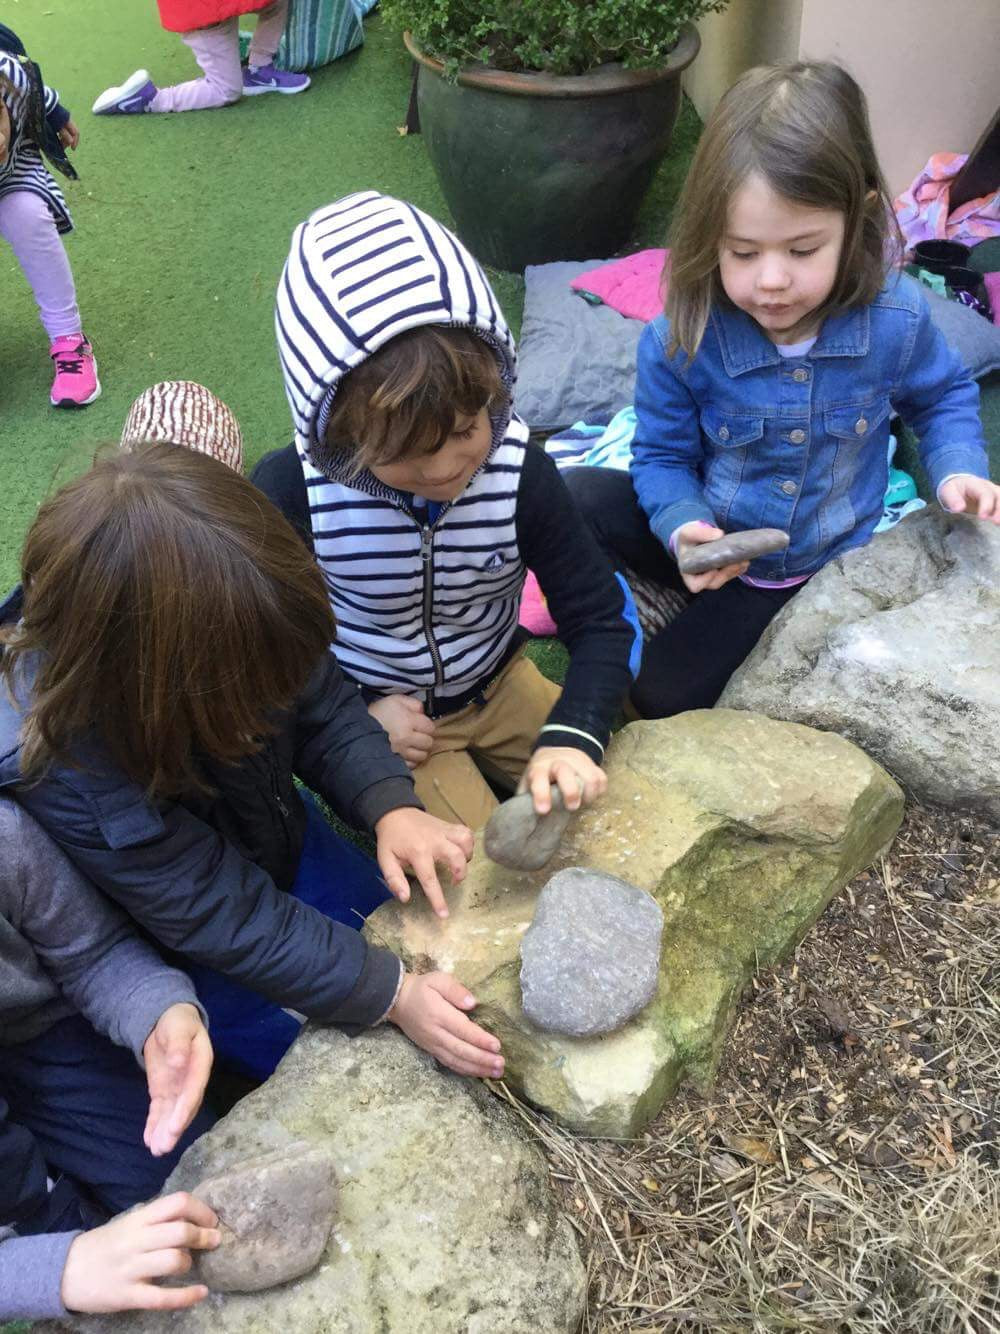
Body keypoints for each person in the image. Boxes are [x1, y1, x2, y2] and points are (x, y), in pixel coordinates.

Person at [0, 444, 502, 1085]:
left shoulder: (241, 600)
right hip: (184, 940)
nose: (272, 696)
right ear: (157, 690)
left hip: (277, 834)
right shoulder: (70, 759)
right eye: (250, 694)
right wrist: (390, 995)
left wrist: (389, 803)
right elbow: (219, 914)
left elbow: (321, 704)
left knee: (409, 941)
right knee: (311, 1058)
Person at [562, 61, 1000, 720]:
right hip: (716, 537)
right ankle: (677, 590)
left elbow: (941, 398)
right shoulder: (681, 336)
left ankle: (718, 618)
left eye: (801, 251)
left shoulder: (897, 318)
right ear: (710, 235)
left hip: (803, 573)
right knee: (573, 493)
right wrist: (684, 529)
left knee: (657, 696)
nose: (772, 280)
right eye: (742, 252)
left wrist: (957, 469)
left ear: (860, 219)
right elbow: (661, 457)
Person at [253, 190, 639, 831]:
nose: (443, 470)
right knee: (479, 874)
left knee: (613, 816)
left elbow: (601, 619)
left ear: (492, 389)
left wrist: (574, 733)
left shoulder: (520, 474)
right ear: (341, 434)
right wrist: (356, 714)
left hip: (500, 681)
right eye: (404, 453)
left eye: (464, 431)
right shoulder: (293, 492)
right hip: (394, 721)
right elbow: (270, 647)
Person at [0, 798, 219, 1321]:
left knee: (188, 1190)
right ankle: (36, 1211)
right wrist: (53, 1268)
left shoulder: (4, 837)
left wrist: (158, 1011)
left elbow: (91, 951)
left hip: (34, 1035)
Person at [0, 30, 98, 408]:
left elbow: (38, 92)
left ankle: (69, 339)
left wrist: (57, 116)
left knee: (28, 215)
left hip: (13, 176)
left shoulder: (10, 75)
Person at [92, 1, 309, 116]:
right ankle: (149, 100)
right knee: (226, 90)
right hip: (204, 12)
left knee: (275, 3)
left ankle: (259, 69)